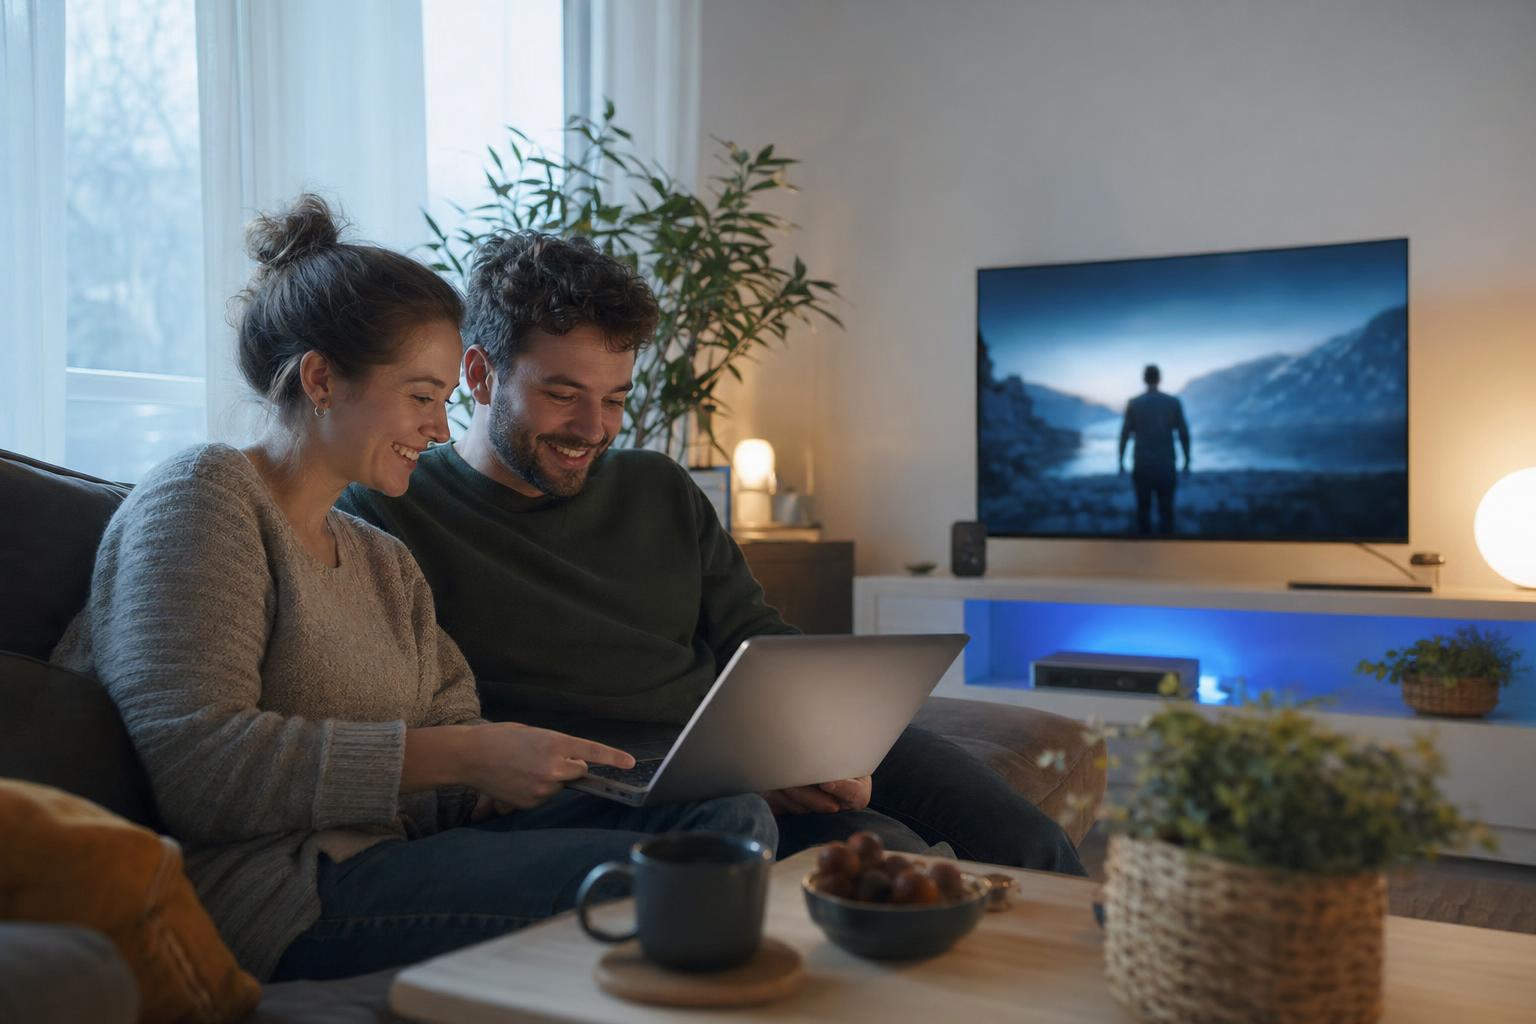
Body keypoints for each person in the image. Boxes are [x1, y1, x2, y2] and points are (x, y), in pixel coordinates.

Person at [50, 197, 776, 983]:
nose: (438, 429)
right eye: (421, 397)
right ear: (321, 379)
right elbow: (199, 770)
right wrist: (466, 755)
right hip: (283, 889)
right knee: (674, 885)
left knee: (725, 821)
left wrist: (516, 779)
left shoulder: (377, 555)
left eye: (441, 402)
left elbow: (448, 745)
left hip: (402, 854)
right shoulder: (202, 499)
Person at [337, 231, 1084, 875]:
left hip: (735, 746)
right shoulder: (389, 510)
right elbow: (448, 734)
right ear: (478, 374)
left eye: (618, 398)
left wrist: (826, 736)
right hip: (625, 790)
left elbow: (756, 637)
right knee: (881, 856)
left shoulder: (657, 485)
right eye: (564, 394)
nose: (594, 428)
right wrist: (735, 778)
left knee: (1027, 839)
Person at [1118, 363, 1191, 536]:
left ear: (1144, 379)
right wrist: (1187, 461)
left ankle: (1144, 553)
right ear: (1159, 379)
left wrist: (1120, 462)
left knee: (1143, 511)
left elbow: (1124, 435)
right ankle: (1167, 551)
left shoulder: (1134, 403)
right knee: (1166, 512)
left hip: (1142, 465)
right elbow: (1183, 433)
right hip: (1166, 466)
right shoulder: (1173, 403)